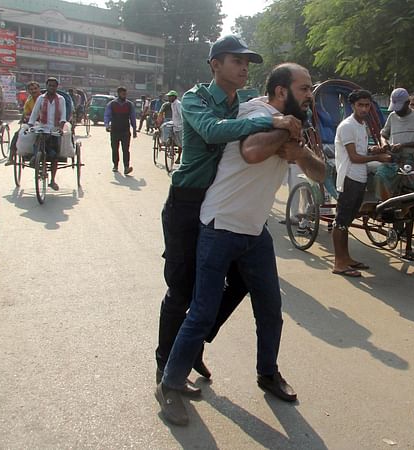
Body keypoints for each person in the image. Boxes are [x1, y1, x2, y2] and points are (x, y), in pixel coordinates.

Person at [159, 63, 325, 427]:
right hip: (219, 225)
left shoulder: (295, 123)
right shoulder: (257, 112)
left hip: (254, 230)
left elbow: (320, 172)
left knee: (270, 309)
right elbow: (251, 152)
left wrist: (299, 150)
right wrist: (284, 134)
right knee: (201, 309)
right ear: (281, 92)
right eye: (305, 88)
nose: (310, 95)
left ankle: (267, 372)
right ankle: (169, 383)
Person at [331, 89, 391, 277]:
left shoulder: (361, 124)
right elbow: (355, 157)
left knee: (347, 220)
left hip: (360, 177)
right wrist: (378, 158)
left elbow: (361, 150)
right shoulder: (347, 126)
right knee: (341, 221)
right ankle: (339, 263)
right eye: (360, 105)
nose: (364, 109)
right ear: (353, 106)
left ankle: (346, 259)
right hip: (349, 177)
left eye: (367, 105)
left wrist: (374, 150)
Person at [376, 87, 414, 261]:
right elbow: (383, 133)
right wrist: (385, 143)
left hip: (410, 161)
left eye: (400, 106)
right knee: (379, 174)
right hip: (393, 160)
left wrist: (404, 144)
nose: (397, 110)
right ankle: (384, 208)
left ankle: (408, 247)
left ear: (408, 103)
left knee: (410, 204)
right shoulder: (392, 116)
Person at [28, 77, 68, 191]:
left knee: (54, 155)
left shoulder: (61, 99)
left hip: (54, 129)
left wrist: (60, 127)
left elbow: (63, 115)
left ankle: (52, 180)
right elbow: (35, 113)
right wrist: (30, 125)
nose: (51, 87)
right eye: (49, 85)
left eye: (54, 86)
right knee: (38, 141)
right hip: (42, 127)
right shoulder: (41, 98)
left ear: (56, 87)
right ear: (46, 86)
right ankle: (36, 157)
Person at [104, 86, 138, 175]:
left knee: (126, 150)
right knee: (115, 149)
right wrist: (107, 125)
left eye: (125, 94)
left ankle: (126, 167)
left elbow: (133, 117)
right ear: (119, 94)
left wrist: (134, 129)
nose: (125, 95)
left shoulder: (129, 105)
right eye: (123, 94)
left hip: (125, 131)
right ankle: (115, 165)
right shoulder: (112, 104)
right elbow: (107, 115)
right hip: (114, 130)